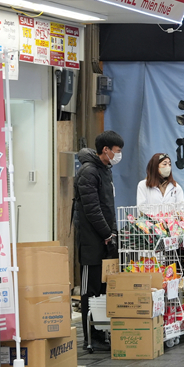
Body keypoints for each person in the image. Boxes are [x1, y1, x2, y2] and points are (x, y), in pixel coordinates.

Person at [74, 131, 123, 351]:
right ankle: (89, 338)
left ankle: (101, 333)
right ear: (106, 150)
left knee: (103, 290)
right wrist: (106, 234)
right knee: (89, 290)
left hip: (105, 240)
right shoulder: (88, 171)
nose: (118, 155)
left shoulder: (105, 170)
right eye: (117, 151)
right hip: (91, 243)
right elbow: (92, 210)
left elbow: (108, 207)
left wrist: (112, 234)